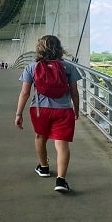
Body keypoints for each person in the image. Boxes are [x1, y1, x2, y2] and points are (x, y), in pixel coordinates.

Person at [14, 35, 81, 193]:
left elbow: (25, 93)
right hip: (63, 110)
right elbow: (75, 92)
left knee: (40, 137)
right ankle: (61, 180)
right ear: (59, 48)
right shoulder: (69, 67)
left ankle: (44, 168)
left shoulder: (32, 67)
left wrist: (18, 114)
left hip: (39, 110)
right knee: (61, 143)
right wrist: (76, 110)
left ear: (39, 48)